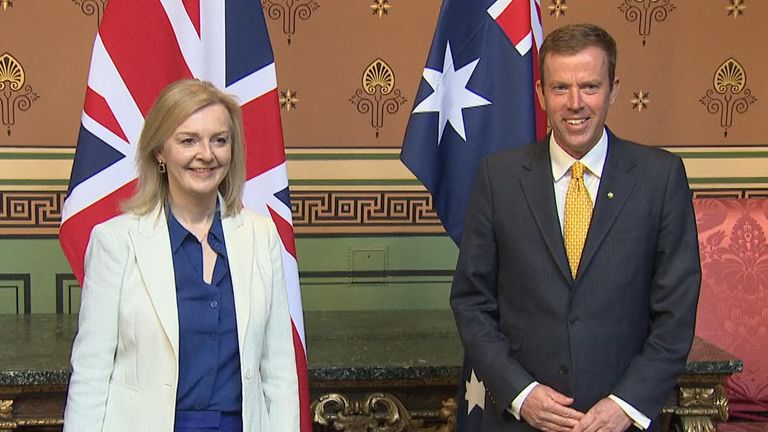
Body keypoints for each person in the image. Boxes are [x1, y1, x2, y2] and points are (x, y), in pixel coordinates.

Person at [450, 24, 700, 432]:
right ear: (541, 94)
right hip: (521, 420)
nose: (575, 103)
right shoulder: (498, 177)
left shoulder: (660, 178)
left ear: (614, 90)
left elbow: (676, 314)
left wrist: (626, 404)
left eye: (590, 87)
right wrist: (521, 393)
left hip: (621, 421)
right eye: (561, 88)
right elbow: (471, 302)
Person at [63, 79, 299, 432]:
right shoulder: (115, 242)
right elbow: (91, 374)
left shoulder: (261, 237)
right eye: (188, 140)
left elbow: (279, 376)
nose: (206, 154)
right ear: (160, 152)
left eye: (220, 139)